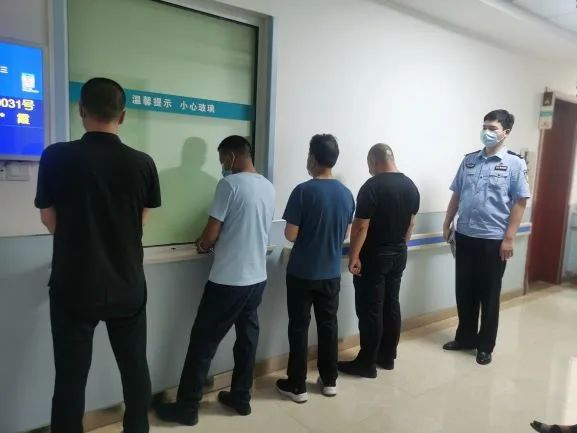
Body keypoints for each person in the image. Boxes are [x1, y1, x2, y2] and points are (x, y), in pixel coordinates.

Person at [35, 78, 161, 433]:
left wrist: (78, 239)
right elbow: (142, 220)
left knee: (70, 378)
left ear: (81, 110)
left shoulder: (55, 156)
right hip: (127, 285)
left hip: (73, 285)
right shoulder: (143, 163)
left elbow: (48, 218)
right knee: (134, 369)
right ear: (122, 116)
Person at [155, 135, 275, 427]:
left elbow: (211, 233)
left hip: (228, 281)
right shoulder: (268, 186)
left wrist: (202, 244)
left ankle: (187, 408)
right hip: (257, 278)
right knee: (247, 340)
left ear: (232, 156)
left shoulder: (229, 185)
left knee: (203, 343)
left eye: (223, 160)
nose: (223, 166)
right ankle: (241, 398)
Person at [442, 109, 531, 365]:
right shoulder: (470, 160)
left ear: (506, 132)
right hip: (465, 235)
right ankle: (465, 338)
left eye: (492, 128)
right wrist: (447, 222)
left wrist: (509, 238)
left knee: (489, 295)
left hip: (493, 240)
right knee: (464, 291)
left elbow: (520, 202)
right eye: (484, 127)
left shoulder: (515, 164)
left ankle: (485, 345)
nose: (487, 132)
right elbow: (457, 194)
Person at [275, 134, 355, 403]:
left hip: (302, 273)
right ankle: (329, 380)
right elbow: (345, 233)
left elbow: (290, 234)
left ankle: (297, 385)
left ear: (312, 157)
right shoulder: (346, 194)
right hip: (331, 273)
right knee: (328, 325)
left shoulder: (303, 191)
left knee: (299, 327)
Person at [338, 144, 420, 379]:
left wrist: (354, 256)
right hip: (399, 253)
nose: (369, 170)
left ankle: (366, 363)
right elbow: (410, 225)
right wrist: (399, 246)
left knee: (371, 310)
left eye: (369, 165)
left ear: (374, 161)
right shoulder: (411, 186)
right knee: (391, 305)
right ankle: (387, 356)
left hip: (374, 256)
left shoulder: (372, 186)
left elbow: (361, 227)